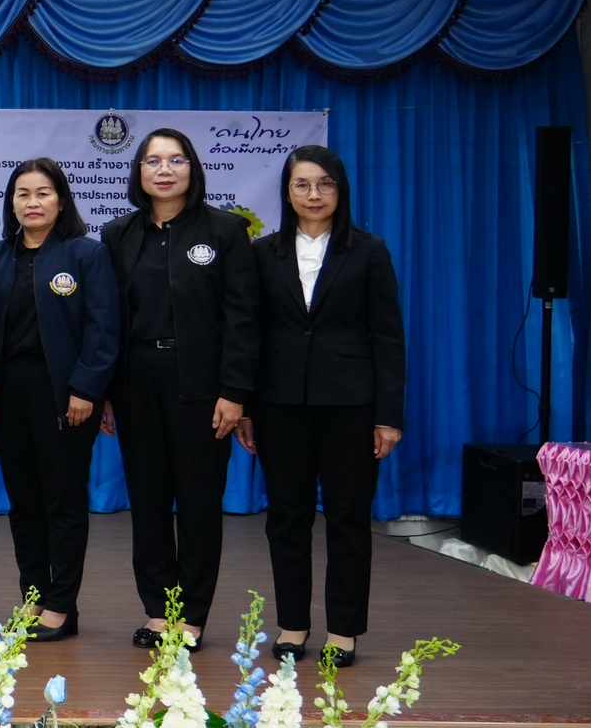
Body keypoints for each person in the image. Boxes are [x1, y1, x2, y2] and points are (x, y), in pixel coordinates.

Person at [242, 145, 404, 668]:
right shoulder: (262, 252)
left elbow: (388, 337)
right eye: (302, 185)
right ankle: (293, 624)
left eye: (324, 184)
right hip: (278, 404)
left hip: (351, 407)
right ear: (287, 191)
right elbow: (248, 334)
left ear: (341, 190)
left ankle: (343, 630)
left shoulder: (369, 251)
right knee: (285, 519)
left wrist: (389, 415)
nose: (314, 195)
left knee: (348, 519)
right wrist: (244, 405)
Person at [101, 128, 259, 652]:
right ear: (139, 173)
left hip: (202, 385)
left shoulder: (226, 230)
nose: (164, 170)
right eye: (152, 161)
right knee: (146, 502)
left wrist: (235, 392)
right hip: (135, 380)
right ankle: (157, 610)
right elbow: (107, 320)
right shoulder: (118, 234)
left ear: (193, 168)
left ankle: (190, 614)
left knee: (196, 503)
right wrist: (103, 389)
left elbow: (242, 318)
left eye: (175, 160)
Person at [0, 157, 120, 643]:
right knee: (24, 503)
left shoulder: (86, 255)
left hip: (65, 394)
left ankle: (62, 604)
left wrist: (87, 388)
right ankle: (33, 597)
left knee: (62, 502)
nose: (32, 202)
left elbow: (104, 330)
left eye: (42, 193)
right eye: (22, 194)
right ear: (11, 203)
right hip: (9, 394)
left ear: (60, 200)